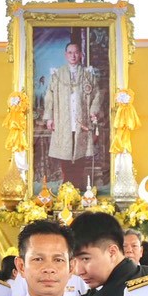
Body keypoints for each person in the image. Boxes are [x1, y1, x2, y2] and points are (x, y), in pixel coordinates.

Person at [42, 41, 104, 187]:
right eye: (70, 53)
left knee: (80, 151)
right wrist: (49, 118)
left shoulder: (87, 74)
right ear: (66, 55)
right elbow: (49, 97)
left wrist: (93, 111)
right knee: (66, 151)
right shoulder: (57, 74)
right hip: (63, 119)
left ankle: (77, 183)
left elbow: (97, 94)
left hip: (81, 120)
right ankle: (67, 184)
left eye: (76, 52)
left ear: (80, 54)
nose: (73, 55)